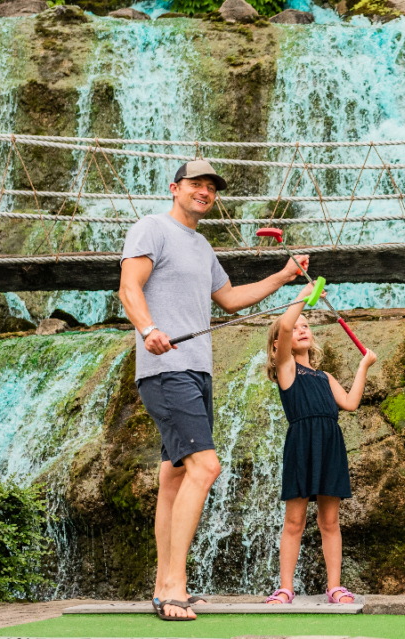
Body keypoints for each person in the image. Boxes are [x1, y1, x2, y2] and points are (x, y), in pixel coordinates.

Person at [119, 159, 310, 621]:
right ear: (174, 187)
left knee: (175, 476)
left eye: (210, 187)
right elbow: (129, 286)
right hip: (166, 368)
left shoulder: (201, 245)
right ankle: (174, 588)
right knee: (206, 466)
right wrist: (148, 329)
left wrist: (283, 277)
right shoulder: (151, 228)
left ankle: (164, 579)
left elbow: (229, 299)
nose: (204, 191)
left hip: (197, 372)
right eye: (195, 184)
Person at [263, 281, 377, 606]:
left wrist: (363, 366)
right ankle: (285, 588)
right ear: (276, 348)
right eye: (295, 328)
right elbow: (284, 324)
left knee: (330, 521)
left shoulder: (325, 377)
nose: (300, 329)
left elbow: (351, 403)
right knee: (294, 521)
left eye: (306, 326)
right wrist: (304, 295)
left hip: (330, 445)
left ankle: (335, 587)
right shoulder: (287, 369)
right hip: (301, 444)